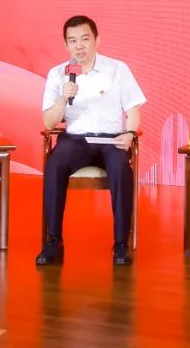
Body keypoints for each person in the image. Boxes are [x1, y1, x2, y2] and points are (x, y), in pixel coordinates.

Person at [37, 15, 146, 267]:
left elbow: (133, 109)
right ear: (65, 45)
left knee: (120, 168)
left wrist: (130, 134)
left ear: (97, 40)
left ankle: (121, 244)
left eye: (85, 39)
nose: (79, 46)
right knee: (55, 165)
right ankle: (53, 241)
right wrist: (63, 98)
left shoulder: (118, 69)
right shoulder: (58, 74)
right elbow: (49, 123)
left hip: (111, 140)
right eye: (73, 41)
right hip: (75, 140)